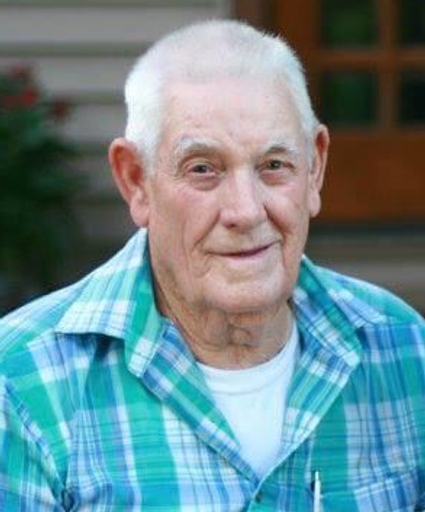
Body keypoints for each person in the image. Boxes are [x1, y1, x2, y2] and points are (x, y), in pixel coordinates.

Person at [0, 20, 424, 511]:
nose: (246, 211)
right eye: (203, 169)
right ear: (136, 180)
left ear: (315, 168)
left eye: (274, 166)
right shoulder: (22, 382)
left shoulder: (403, 350)